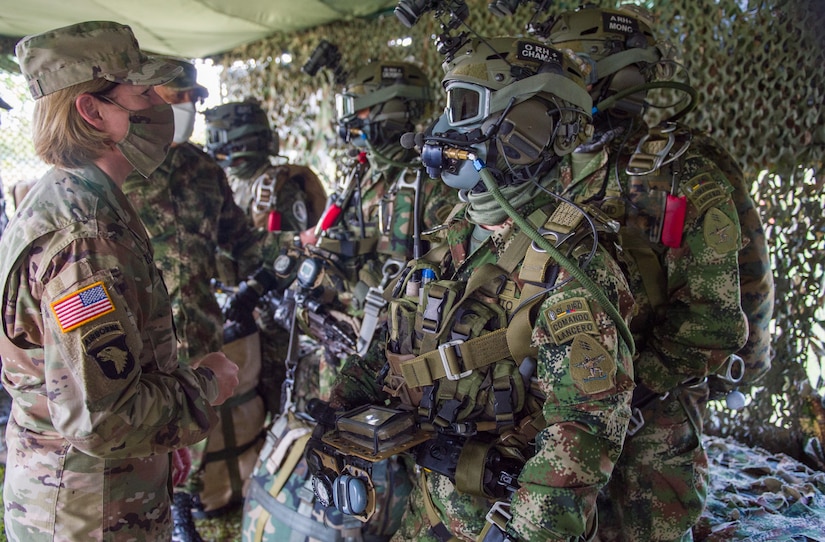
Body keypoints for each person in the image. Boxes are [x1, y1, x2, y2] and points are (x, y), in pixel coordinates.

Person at [308, 36, 637, 541]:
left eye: (465, 107)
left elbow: (582, 435)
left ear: (526, 128)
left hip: (497, 526)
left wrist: (520, 534)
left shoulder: (572, 267)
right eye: (448, 107)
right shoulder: (452, 237)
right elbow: (388, 356)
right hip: (429, 517)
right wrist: (332, 418)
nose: (443, 129)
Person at [1, 21, 239, 540]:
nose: (159, 105)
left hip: (99, 491)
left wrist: (161, 444)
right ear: (92, 110)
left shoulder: (79, 200)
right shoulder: (85, 237)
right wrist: (209, 384)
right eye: (142, 91)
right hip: (90, 510)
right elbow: (104, 421)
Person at [547, 5, 760, 539]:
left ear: (614, 73)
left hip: (649, 422)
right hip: (563, 411)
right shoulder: (546, 166)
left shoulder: (681, 173)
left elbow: (714, 320)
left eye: (569, 68)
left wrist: (625, 393)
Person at [240, 59, 458, 542]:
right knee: (335, 437)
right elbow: (337, 247)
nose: (348, 125)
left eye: (356, 113)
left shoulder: (433, 186)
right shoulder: (360, 177)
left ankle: (393, 516)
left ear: (391, 113)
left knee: (400, 453)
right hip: (343, 345)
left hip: (400, 358)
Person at [121, 57, 264, 540]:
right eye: (174, 98)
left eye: (190, 99)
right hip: (137, 331)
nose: (185, 108)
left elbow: (241, 241)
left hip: (199, 325)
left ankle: (184, 504)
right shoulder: (120, 170)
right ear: (145, 102)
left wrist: (293, 251)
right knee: (138, 422)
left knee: (194, 417)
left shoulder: (204, 169)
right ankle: (149, 505)